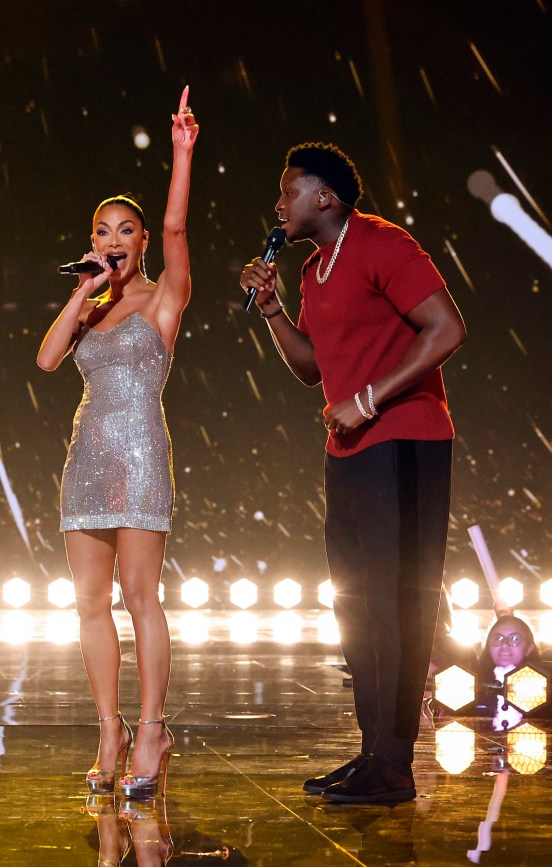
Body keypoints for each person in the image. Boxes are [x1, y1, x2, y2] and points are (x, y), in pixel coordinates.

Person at [240, 142, 467, 804]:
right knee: (358, 607)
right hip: (349, 450)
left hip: (405, 441)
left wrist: (367, 399)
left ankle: (395, 764)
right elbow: (312, 366)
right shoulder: (313, 271)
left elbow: (448, 328)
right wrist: (275, 310)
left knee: (399, 604)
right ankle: (372, 753)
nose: (279, 203)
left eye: (289, 191)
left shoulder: (383, 244)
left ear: (325, 198)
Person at [37, 88, 198, 799]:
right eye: (103, 230)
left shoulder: (164, 298)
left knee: (140, 595)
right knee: (88, 601)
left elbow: (175, 224)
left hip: (140, 458)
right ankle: (109, 727)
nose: (113, 239)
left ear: (139, 241)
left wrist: (182, 153)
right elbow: (45, 361)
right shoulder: (91, 306)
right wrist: (83, 292)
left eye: (124, 230)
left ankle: (153, 726)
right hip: (87, 459)